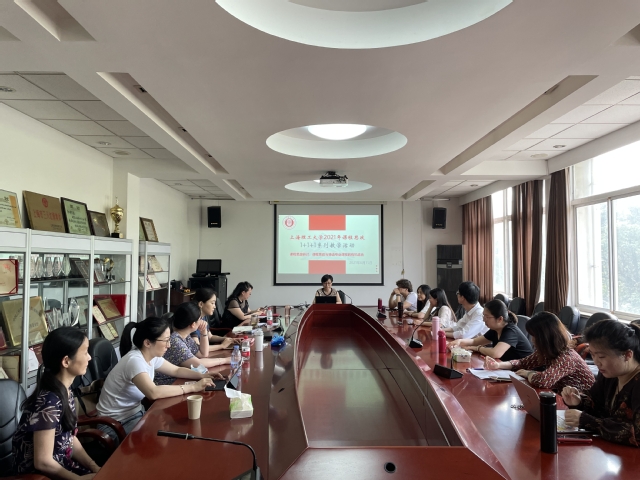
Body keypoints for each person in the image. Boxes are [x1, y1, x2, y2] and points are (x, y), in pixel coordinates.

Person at [97, 317, 216, 439]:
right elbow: (153, 392)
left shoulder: (151, 356)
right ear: (148, 343)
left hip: (136, 413)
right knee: (163, 436)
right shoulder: (134, 361)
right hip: (116, 423)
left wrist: (202, 375)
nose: (169, 345)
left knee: (173, 431)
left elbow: (176, 370)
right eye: (166, 340)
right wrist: (193, 387)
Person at [13, 327, 100, 478]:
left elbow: (69, 439)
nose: (90, 358)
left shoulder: (65, 390)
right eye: (85, 352)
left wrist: (95, 468)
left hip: (63, 467)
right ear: (66, 361)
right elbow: (43, 462)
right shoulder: (49, 402)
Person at [562, 320, 640, 446]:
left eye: (602, 357)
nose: (597, 362)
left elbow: (637, 434)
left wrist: (589, 422)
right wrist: (578, 402)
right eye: (592, 355)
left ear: (627, 355)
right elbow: (596, 404)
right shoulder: (610, 374)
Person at [485, 312, 595, 391]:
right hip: (564, 396)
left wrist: (529, 373)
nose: (532, 340)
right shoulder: (548, 351)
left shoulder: (567, 357)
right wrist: (498, 365)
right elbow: (523, 363)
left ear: (545, 337)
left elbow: (543, 381)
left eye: (534, 336)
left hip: (584, 403)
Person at [155, 303, 233, 385]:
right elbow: (199, 364)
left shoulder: (185, 336)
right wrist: (225, 360)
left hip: (178, 378)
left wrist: (203, 332)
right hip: (167, 383)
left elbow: (203, 354)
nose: (202, 321)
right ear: (193, 324)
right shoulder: (175, 341)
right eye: (200, 319)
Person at [448, 299, 533, 361]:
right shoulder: (495, 329)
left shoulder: (510, 331)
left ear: (500, 319)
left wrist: (477, 348)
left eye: (487, 317)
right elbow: (475, 341)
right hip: (507, 368)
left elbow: (495, 353)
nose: (484, 320)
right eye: (483, 316)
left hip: (523, 373)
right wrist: (459, 341)